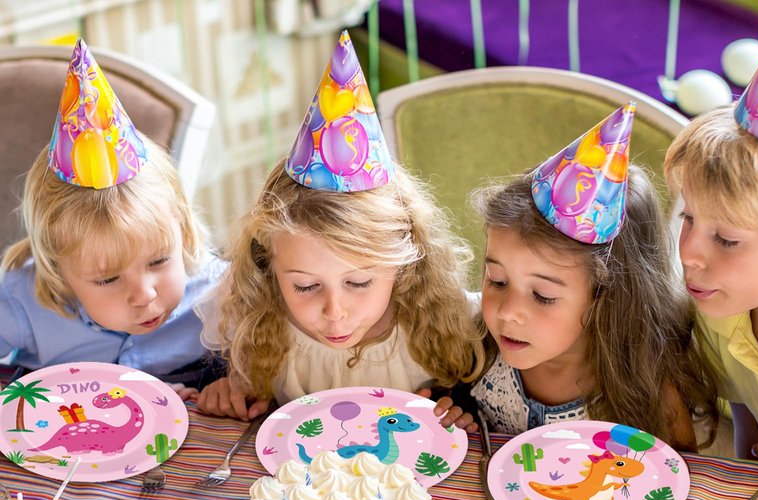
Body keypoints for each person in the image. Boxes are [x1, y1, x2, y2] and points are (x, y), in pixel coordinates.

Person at [197, 31, 483, 427]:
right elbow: (240, 399)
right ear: (267, 265)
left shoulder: (441, 324)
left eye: (359, 282)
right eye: (305, 286)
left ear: (405, 264)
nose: (335, 313)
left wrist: (459, 412)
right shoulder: (254, 319)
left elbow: (471, 413)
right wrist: (228, 391)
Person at [471, 104, 717, 449]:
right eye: (497, 280)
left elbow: (679, 477)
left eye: (542, 295)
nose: (507, 311)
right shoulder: (477, 349)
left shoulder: (650, 396)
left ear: (606, 294)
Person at [0, 40, 226, 395]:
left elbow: (269, 366)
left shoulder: (222, 295)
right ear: (57, 269)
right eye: (107, 279)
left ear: (182, 229)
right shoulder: (23, 302)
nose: (144, 295)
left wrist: (235, 385)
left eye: (159, 260)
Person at [664, 4, 758, 463]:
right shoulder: (720, 312)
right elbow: (751, 442)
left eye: (726, 239)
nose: (688, 253)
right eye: (688, 218)